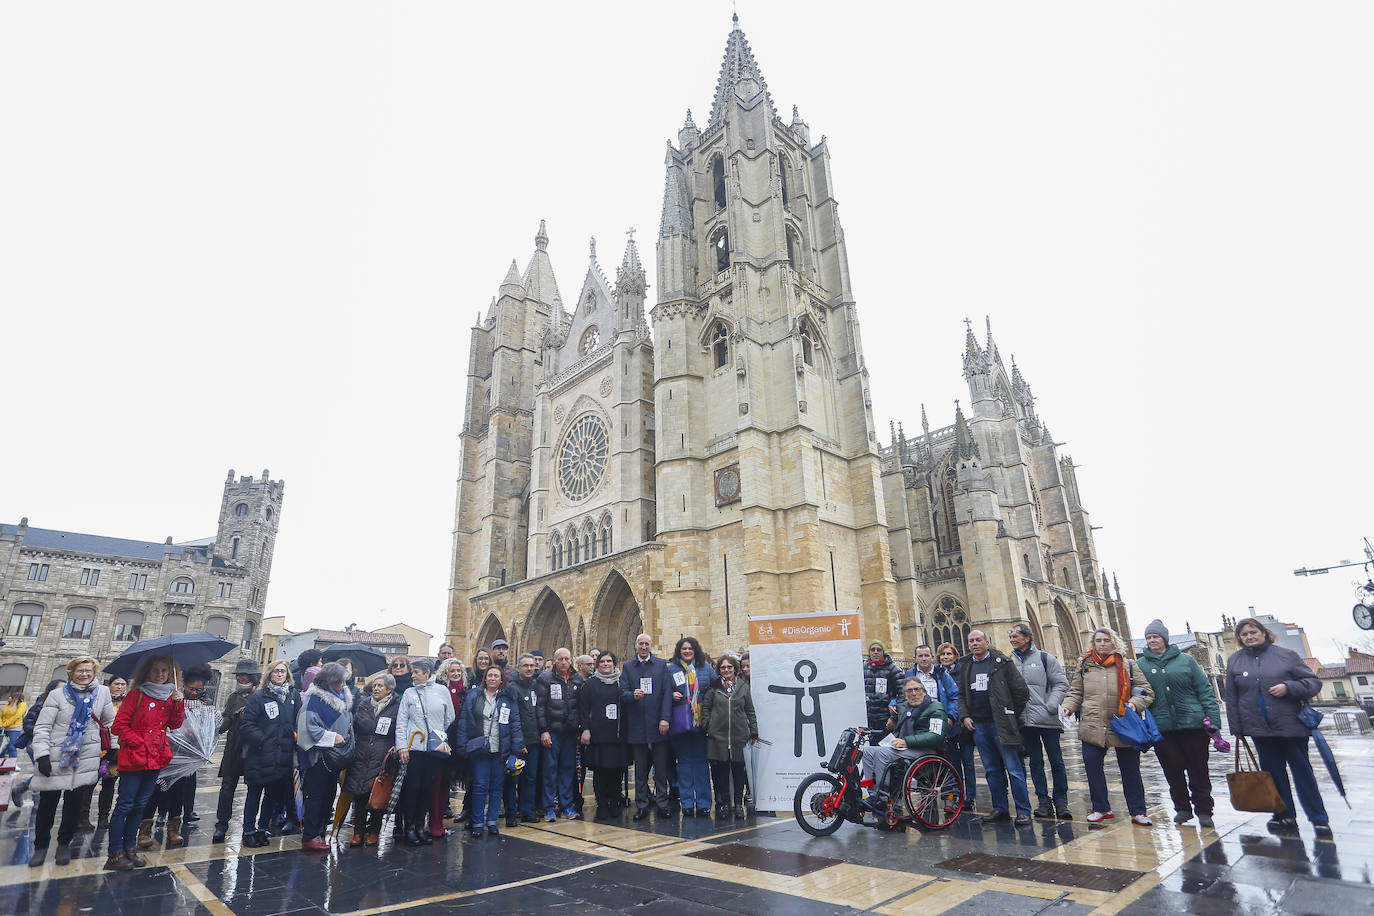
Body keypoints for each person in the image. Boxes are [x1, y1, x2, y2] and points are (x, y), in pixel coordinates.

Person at [1225, 616, 1330, 837]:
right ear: (1239, 638)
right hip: (1259, 730)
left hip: (1291, 726)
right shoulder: (1235, 661)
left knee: (1303, 772)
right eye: (1244, 634)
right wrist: (1236, 728)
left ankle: (1318, 817)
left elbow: (1313, 682)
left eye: (1253, 632)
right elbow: (1232, 697)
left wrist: (1288, 687)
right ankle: (1284, 816)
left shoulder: (1285, 655)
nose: (1249, 637)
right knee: (1273, 775)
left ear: (1264, 633)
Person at [1062, 628, 1155, 826]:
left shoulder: (1128, 665)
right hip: (1093, 722)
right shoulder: (1085, 664)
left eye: (1106, 640)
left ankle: (1138, 811)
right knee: (1092, 764)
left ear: (1114, 643)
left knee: (1130, 770)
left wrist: (1133, 703)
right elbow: (1076, 691)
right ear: (1093, 643)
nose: (1102, 644)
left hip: (1123, 723)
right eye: (1099, 641)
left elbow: (1146, 692)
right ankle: (1101, 808)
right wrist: (1067, 708)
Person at [29, 655, 115, 867]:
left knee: (73, 805)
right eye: (80, 671)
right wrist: (41, 755)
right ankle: (40, 846)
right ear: (71, 673)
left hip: (85, 756)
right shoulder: (57, 695)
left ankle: (63, 845)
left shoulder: (103, 693)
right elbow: (42, 726)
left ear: (94, 673)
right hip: (57, 755)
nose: (84, 674)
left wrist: (114, 748)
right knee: (47, 805)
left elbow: (110, 722)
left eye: (88, 671)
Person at [1138, 619, 1220, 828]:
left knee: (1198, 769)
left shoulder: (1186, 660)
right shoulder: (1141, 665)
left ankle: (1204, 810)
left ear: (1164, 639)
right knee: (1172, 770)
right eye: (1148, 637)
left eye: (1155, 636)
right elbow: (1137, 692)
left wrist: (1214, 721)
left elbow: (1205, 691)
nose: (1152, 640)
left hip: (1193, 724)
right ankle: (1182, 809)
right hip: (1163, 727)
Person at [106, 656, 184, 871]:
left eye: (164, 671)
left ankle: (130, 849)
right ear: (147, 673)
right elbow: (119, 726)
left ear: (171, 674)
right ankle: (114, 853)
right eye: (155, 671)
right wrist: (138, 742)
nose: (160, 675)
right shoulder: (136, 695)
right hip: (134, 757)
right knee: (125, 805)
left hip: (156, 757)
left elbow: (175, 724)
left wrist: (178, 703)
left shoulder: (171, 696)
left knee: (140, 806)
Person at [957, 629, 1032, 826]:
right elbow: (962, 696)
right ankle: (1000, 808)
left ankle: (1023, 811)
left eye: (978, 640)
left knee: (1013, 769)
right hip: (979, 726)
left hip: (1001, 724)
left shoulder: (1002, 663)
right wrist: (965, 716)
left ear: (987, 642)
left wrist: (1008, 711)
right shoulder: (966, 665)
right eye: (971, 641)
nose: (974, 643)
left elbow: (1021, 691)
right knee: (991, 770)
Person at [145, 664, 219, 849]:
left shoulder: (205, 705)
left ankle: (173, 829)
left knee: (178, 792)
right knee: (155, 790)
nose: (195, 692)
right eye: (191, 689)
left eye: (199, 690)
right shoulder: (172, 699)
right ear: (183, 685)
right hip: (164, 752)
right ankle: (145, 829)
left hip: (187, 755)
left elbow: (211, 727)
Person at [1007, 625, 1071, 820]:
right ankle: (1043, 801)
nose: (1012, 639)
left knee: (1056, 762)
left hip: (1048, 719)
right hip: (1025, 721)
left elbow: (1061, 684)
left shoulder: (1045, 658)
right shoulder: (1010, 663)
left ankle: (1061, 802)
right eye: (1010, 636)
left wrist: (1050, 705)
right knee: (1035, 763)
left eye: (1015, 636)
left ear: (1027, 638)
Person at [238, 660, 300, 848]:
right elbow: (247, 725)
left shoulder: (293, 696)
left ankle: (262, 829)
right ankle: (248, 831)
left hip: (282, 757)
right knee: (254, 795)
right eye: (276, 671)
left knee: (272, 797)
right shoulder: (258, 697)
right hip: (260, 755)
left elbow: (298, 722)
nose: (280, 674)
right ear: (269, 674)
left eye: (283, 671)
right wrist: (263, 740)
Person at [394, 657, 455, 846]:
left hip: (433, 747)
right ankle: (409, 827)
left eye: (416, 672)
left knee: (427, 788)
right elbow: (402, 721)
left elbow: (449, 716)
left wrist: (437, 735)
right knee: (413, 787)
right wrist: (402, 745)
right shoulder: (409, 693)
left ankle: (421, 826)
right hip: (413, 747)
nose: (412, 675)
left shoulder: (442, 691)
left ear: (427, 673)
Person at [861, 679, 945, 810]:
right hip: (906, 747)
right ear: (905, 694)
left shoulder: (936, 708)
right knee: (868, 751)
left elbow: (936, 736)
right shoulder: (905, 707)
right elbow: (898, 728)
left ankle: (883, 796)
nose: (914, 693)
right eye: (909, 691)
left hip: (926, 749)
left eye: (917, 689)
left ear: (923, 691)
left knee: (883, 753)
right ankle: (872, 792)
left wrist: (907, 741)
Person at [458, 664, 520, 837]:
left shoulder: (507, 698)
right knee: (479, 786)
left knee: (497, 786)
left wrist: (515, 749)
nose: (493, 678)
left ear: (501, 680)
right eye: (490, 675)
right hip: (480, 748)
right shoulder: (474, 696)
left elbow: (515, 724)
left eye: (496, 676)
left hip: (500, 749)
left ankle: (492, 820)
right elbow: (464, 722)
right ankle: (478, 822)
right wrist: (462, 746)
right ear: (485, 678)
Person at [297, 662, 353, 851]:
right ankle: (310, 836)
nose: (344, 685)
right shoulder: (314, 700)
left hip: (334, 758)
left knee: (328, 795)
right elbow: (307, 728)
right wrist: (333, 737)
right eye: (341, 682)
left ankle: (320, 830)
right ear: (331, 681)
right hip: (318, 758)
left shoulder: (341, 697)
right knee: (315, 796)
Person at [343, 672, 400, 847]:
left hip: (383, 754)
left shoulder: (396, 706)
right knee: (359, 793)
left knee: (377, 793)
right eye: (374, 685)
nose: (376, 688)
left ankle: (374, 831)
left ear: (389, 689)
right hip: (361, 752)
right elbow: (357, 726)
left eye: (380, 686)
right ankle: (358, 831)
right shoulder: (364, 704)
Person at [620, 633, 673, 820]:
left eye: (646, 644)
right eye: (641, 644)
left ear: (651, 646)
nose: (643, 647)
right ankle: (641, 805)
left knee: (660, 769)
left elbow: (667, 693)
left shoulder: (660, 665)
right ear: (635, 645)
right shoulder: (627, 667)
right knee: (640, 770)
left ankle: (662, 804)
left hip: (658, 725)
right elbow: (623, 693)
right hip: (637, 726)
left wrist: (665, 718)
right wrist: (631, 696)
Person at [701, 654, 757, 819]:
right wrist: (708, 724)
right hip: (719, 737)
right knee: (721, 773)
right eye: (723, 667)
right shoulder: (713, 687)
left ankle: (738, 804)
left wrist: (753, 730)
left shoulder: (743, 687)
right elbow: (706, 708)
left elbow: (750, 710)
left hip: (739, 736)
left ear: (734, 668)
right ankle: (725, 804)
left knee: (739, 772)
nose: (726, 670)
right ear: (719, 670)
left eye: (729, 667)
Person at [212, 658, 260, 843]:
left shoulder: (261, 695)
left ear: (252, 676)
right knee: (227, 787)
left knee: (253, 788)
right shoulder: (233, 697)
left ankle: (249, 826)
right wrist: (214, 729)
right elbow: (226, 719)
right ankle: (221, 824)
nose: (240, 677)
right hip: (233, 747)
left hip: (254, 748)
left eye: (244, 674)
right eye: (238, 674)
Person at [668, 636, 715, 817]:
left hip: (700, 723)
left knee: (702, 763)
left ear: (696, 650)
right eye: (683, 649)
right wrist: (672, 694)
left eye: (690, 648)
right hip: (680, 722)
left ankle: (703, 803)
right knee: (684, 764)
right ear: (679, 651)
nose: (687, 651)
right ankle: (687, 802)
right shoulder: (671, 669)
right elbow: (664, 691)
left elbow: (715, 690)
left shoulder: (706, 669)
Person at [579, 650, 629, 821]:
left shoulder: (621, 682)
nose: (606, 664)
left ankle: (614, 802)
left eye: (609, 661)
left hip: (617, 735)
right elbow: (584, 709)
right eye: (602, 661)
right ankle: (602, 804)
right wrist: (585, 729)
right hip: (599, 735)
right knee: (600, 772)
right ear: (598, 664)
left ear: (614, 663)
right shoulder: (591, 684)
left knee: (617, 771)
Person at [537, 648, 582, 821]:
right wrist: (544, 731)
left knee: (567, 769)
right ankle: (549, 807)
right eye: (560, 659)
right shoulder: (545, 678)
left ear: (571, 660)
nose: (564, 662)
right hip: (552, 732)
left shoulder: (577, 678)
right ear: (554, 661)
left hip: (570, 733)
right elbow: (540, 707)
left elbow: (580, 706)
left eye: (567, 659)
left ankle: (566, 805)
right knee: (550, 770)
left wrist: (579, 728)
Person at [935, 643, 977, 811]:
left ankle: (971, 795)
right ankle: (955, 795)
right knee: (952, 763)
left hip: (963, 724)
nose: (945, 657)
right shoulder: (937, 674)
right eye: (943, 654)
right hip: (948, 726)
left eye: (949, 654)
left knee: (968, 762)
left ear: (955, 656)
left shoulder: (963, 672)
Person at [434, 658, 468, 836]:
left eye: (458, 671)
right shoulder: (440, 690)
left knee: (457, 776)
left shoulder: (466, 690)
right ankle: (438, 814)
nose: (456, 674)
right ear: (445, 673)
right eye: (452, 671)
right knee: (441, 776)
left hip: (459, 736)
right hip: (444, 736)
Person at [511, 654, 546, 823]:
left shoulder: (536, 685)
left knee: (531, 777)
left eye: (532, 665)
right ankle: (512, 810)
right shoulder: (512, 687)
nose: (529, 668)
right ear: (518, 668)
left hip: (534, 740)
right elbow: (513, 717)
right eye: (526, 665)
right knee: (513, 777)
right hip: (519, 741)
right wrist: (519, 742)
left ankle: (527, 809)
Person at [94, 676, 128, 827]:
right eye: (117, 684)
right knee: (89, 784)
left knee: (109, 785)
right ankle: (81, 818)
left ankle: (103, 817)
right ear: (109, 685)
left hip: (116, 749)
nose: (120, 687)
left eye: (123, 684)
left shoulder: (127, 703)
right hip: (99, 747)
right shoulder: (100, 701)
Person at [864, 640, 903, 744]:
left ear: (883, 652)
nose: (875, 652)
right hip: (868, 719)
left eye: (879, 650)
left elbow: (903, 694)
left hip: (886, 720)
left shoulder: (894, 670)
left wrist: (894, 717)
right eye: (873, 650)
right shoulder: (863, 669)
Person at [1, 691, 26, 758]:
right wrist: (1, 724)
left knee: (11, 746)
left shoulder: (22, 705)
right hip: (4, 728)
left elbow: (16, 716)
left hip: (14, 728)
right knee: (3, 746)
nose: (9, 698)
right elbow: (1, 715)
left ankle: (13, 764)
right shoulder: (8, 705)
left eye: (11, 697)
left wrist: (4, 724)